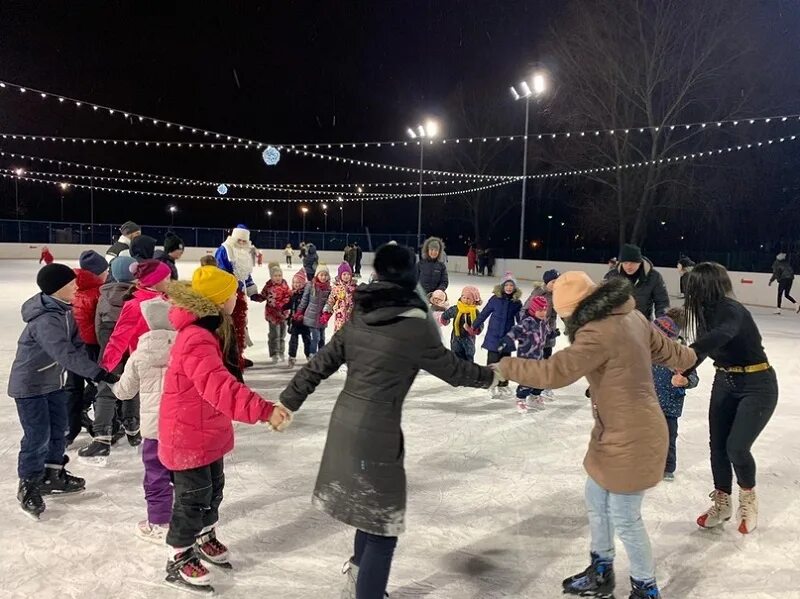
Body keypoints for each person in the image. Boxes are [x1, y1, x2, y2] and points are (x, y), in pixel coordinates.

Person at [278, 243, 498, 599]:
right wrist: (492, 376)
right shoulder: (416, 325)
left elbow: (321, 362)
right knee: (382, 526)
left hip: (344, 426)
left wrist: (288, 401)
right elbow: (454, 370)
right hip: (377, 435)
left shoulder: (360, 313)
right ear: (411, 276)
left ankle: (358, 576)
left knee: (370, 513)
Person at [495, 272, 696, 599]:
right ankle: (601, 569)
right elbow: (667, 350)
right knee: (595, 497)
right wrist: (689, 357)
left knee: (626, 518)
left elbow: (554, 372)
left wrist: (506, 367)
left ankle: (645, 588)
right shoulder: (631, 316)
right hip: (618, 431)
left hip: (633, 437)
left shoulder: (597, 333)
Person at [158, 266, 289, 592]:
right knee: (192, 497)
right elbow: (220, 388)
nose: (237, 297)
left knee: (213, 488)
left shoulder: (211, 329)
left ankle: (203, 535)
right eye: (233, 293)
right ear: (219, 299)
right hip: (187, 434)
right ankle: (179, 553)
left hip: (205, 430)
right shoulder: (197, 338)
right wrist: (265, 411)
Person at [8, 263, 118, 520]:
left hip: (54, 383)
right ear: (58, 289)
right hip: (30, 386)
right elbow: (63, 352)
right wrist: (98, 374)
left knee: (59, 431)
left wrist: (91, 372)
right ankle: (29, 484)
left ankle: (53, 474)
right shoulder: (46, 320)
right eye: (71, 284)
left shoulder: (65, 311)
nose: (76, 287)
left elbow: (77, 346)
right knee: (37, 437)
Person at [685, 262, 778, 534]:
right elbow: (706, 346)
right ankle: (722, 501)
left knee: (736, 447)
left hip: (757, 384)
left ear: (705, 285)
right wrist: (684, 369)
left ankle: (748, 498)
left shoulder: (731, 309)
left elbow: (721, 335)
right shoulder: (703, 312)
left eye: (693, 285)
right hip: (724, 381)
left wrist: (689, 352)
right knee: (717, 445)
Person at [112, 298, 176, 543]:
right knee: (183, 475)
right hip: (182, 426)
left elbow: (124, 393)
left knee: (156, 476)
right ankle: (185, 517)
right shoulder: (186, 349)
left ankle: (159, 523)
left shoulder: (139, 355)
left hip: (154, 430)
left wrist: (111, 384)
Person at [94, 260, 172, 449]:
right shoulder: (136, 304)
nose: (170, 280)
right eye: (167, 277)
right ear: (155, 280)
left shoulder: (165, 298)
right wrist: (106, 367)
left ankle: (148, 431)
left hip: (167, 358)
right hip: (147, 360)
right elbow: (119, 337)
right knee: (150, 402)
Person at [78, 256, 139, 459]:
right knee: (131, 387)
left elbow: (97, 327)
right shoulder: (137, 296)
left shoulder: (103, 295)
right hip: (132, 350)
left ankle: (102, 437)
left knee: (105, 390)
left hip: (109, 350)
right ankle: (133, 429)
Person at [64, 250, 109, 445]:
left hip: (72, 347)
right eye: (105, 271)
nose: (107, 274)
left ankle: (69, 428)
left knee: (73, 386)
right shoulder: (98, 293)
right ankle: (103, 427)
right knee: (100, 384)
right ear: (97, 273)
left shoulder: (73, 289)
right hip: (91, 347)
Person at [651, 309, 699, 481]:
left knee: (668, 436)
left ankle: (668, 467)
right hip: (647, 401)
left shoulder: (682, 354)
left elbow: (694, 378)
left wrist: (685, 381)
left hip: (670, 402)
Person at [498, 295, 555, 413]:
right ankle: (521, 398)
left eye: (544, 310)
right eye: (540, 310)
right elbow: (515, 331)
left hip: (538, 357)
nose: (543, 313)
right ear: (533, 310)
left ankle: (534, 396)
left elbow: (547, 332)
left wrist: (552, 334)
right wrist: (507, 340)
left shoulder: (544, 322)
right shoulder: (527, 322)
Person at [214, 225, 260, 368]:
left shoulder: (243, 254)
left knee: (240, 325)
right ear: (233, 238)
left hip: (240, 294)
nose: (241, 244)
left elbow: (246, 275)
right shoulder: (224, 251)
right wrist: (229, 291)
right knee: (228, 327)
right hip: (227, 295)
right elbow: (221, 273)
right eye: (238, 240)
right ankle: (228, 358)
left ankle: (238, 355)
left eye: (243, 241)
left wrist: (253, 293)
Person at [472, 272, 523, 398]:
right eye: (507, 285)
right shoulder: (495, 299)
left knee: (505, 363)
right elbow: (484, 313)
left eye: (511, 285)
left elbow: (520, 320)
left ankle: (503, 384)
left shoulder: (516, 303)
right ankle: (490, 384)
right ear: (502, 286)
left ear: (515, 287)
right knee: (493, 361)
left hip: (507, 337)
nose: (509, 288)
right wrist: (475, 325)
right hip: (493, 337)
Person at [605, 243, 669, 320]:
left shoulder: (654, 277)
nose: (629, 266)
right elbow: (602, 300)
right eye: (625, 263)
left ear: (639, 262)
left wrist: (662, 323)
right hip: (618, 324)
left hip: (643, 323)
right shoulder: (611, 276)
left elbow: (662, 302)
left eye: (633, 263)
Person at [259, 263, 292, 364]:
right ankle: (274, 353)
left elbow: (288, 297)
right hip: (272, 315)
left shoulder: (285, 285)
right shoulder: (268, 286)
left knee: (282, 334)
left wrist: (284, 305)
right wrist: (256, 297)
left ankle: (281, 352)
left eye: (279, 275)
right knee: (274, 334)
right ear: (271, 276)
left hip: (283, 314)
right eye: (275, 276)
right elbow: (263, 296)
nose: (278, 278)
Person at [297, 263, 332, 356]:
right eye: (321, 275)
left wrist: (326, 315)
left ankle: (321, 355)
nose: (323, 277)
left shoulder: (329, 288)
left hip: (322, 319)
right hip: (311, 317)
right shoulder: (311, 286)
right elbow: (305, 300)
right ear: (317, 275)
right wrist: (299, 311)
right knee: (316, 337)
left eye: (325, 275)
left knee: (322, 338)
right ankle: (312, 353)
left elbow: (330, 303)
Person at [440, 286, 482, 362]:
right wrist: (444, 320)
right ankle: (457, 372)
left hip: (469, 339)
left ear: (474, 300)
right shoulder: (457, 308)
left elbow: (479, 326)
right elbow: (446, 315)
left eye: (468, 298)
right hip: (456, 338)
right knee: (456, 356)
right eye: (464, 297)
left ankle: (468, 372)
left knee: (468, 357)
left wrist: (470, 329)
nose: (465, 300)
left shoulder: (475, 312)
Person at [286, 269, 311, 368]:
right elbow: (290, 304)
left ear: (303, 283)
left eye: (299, 282)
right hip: (294, 323)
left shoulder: (306, 295)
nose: (296, 284)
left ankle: (309, 355)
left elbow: (309, 307)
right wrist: (284, 307)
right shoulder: (292, 294)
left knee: (307, 340)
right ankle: (292, 356)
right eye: (294, 282)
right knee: (293, 341)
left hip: (304, 323)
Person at [327, 262, 357, 333]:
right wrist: (328, 308)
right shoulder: (336, 287)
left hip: (351, 315)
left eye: (348, 274)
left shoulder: (354, 287)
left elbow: (359, 299)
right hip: (340, 315)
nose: (346, 276)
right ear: (340, 275)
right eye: (344, 274)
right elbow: (331, 299)